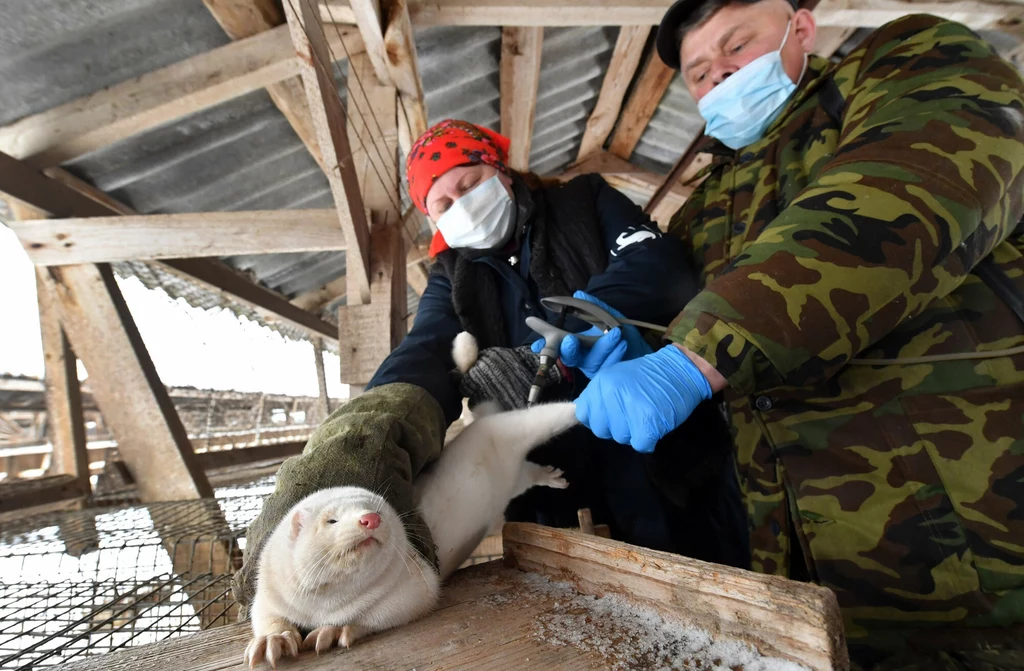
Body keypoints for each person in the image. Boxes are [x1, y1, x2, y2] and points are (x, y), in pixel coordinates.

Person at [568, 0, 1024, 667]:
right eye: (698, 72)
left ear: (800, 28)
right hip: (799, 564)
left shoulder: (909, 62)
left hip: (978, 543)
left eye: (736, 46)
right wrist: (647, 346)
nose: (718, 76)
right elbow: (720, 351)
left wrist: (698, 355)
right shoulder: (705, 208)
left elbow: (912, 188)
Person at [233, 120, 749, 620]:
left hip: (654, 443)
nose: (463, 205)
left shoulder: (584, 202)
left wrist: (551, 343)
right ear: (434, 221)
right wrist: (366, 431)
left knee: (706, 591)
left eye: (469, 182)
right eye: (444, 202)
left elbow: (657, 266)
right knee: (573, 609)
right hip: (550, 475)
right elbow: (426, 349)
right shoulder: (453, 275)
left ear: (499, 169)